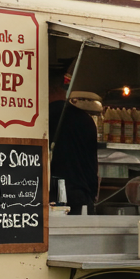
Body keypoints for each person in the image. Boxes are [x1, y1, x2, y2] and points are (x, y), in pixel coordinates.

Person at [48, 63, 99, 215]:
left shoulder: (42, 119)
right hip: (81, 198)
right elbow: (92, 167)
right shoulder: (86, 120)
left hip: (52, 199)